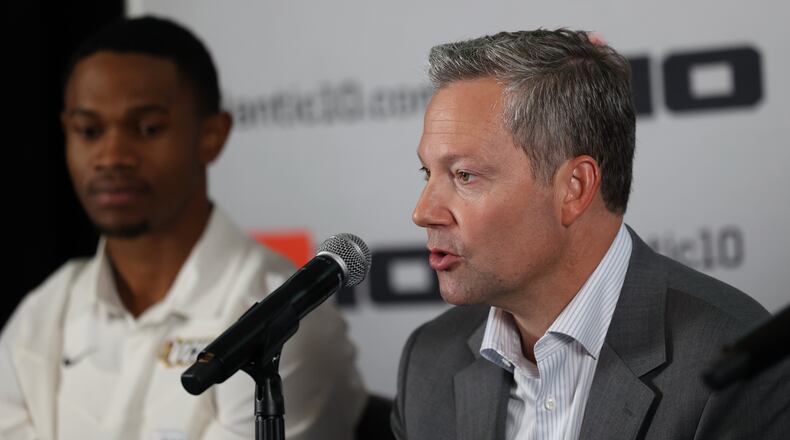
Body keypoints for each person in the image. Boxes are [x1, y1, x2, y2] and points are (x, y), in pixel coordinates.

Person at [391, 29, 789, 439]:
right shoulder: (429, 360)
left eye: (464, 176)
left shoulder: (734, 363)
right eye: (428, 173)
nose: (423, 213)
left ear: (574, 188)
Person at [0, 16, 366, 440]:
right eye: (89, 130)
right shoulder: (43, 311)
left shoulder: (284, 317)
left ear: (211, 135)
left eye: (147, 128)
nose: (111, 155)